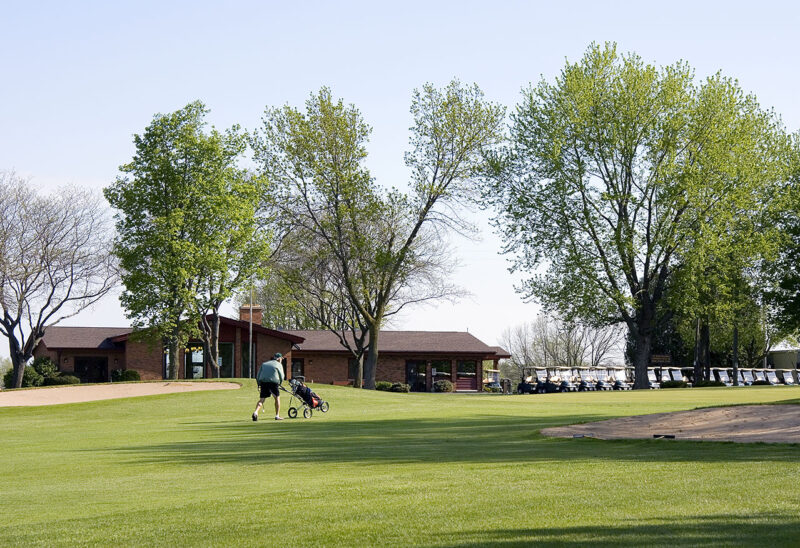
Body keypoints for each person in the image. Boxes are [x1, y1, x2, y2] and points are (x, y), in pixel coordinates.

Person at [252, 352, 286, 421]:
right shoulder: (279, 364)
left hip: (264, 383)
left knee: (262, 400)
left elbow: (258, 375)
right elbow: (282, 376)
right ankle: (277, 415)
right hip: (273, 383)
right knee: (277, 398)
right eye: (281, 359)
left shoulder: (264, 364)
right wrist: (280, 383)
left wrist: (259, 384)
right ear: (279, 359)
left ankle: (255, 412)